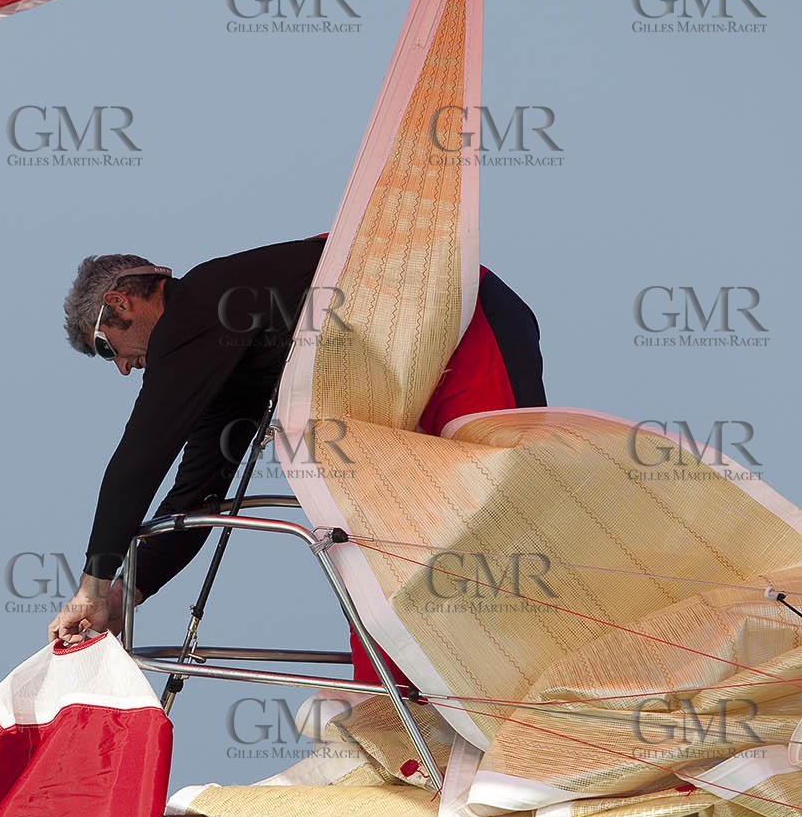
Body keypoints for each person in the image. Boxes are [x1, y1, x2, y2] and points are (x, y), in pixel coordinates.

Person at [48, 240, 546, 649]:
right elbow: (198, 496)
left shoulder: (196, 306)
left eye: (105, 349)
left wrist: (91, 585)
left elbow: (140, 457)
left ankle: (539, 682)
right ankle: (424, 716)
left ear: (120, 303)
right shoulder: (224, 359)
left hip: (461, 317)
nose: (120, 367)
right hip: (422, 358)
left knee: (497, 517)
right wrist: (123, 597)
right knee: (409, 558)